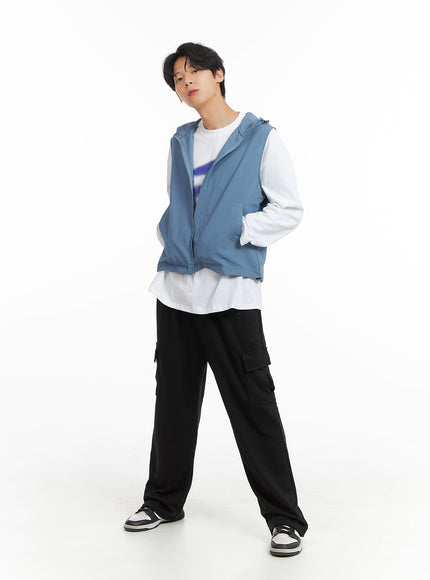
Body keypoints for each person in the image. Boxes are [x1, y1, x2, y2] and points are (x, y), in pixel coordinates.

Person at [124, 42, 308, 557]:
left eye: (194, 72)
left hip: (231, 294)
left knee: (253, 406)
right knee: (174, 404)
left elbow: (289, 209)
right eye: (177, 79)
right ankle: (163, 501)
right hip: (176, 292)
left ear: (218, 74)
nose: (186, 83)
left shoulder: (260, 138)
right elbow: (178, 204)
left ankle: (285, 519)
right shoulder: (180, 141)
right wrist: (172, 234)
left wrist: (238, 232)